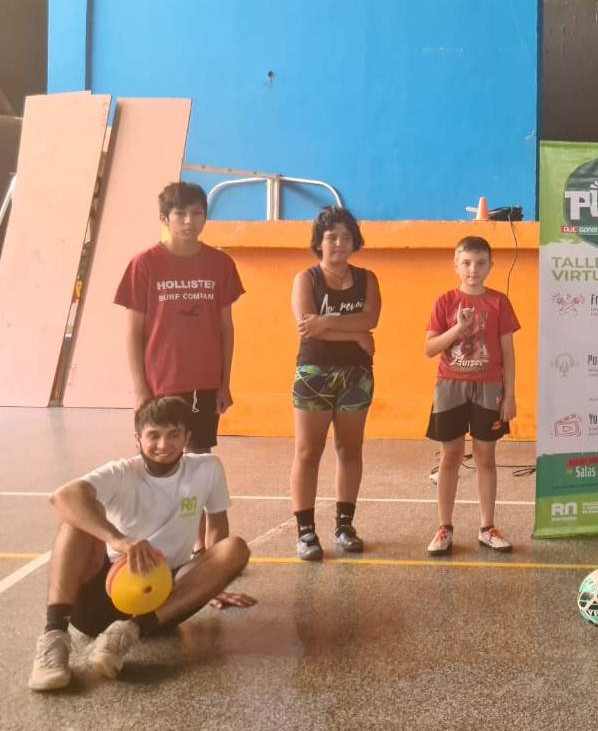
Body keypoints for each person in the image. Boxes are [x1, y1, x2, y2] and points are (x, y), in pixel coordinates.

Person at [28, 397, 255, 692]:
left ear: (187, 437)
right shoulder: (121, 471)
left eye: (174, 434)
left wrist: (209, 583)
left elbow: (217, 528)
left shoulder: (207, 468)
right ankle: (54, 636)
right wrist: (118, 540)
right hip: (104, 592)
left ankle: (125, 634)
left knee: (235, 547)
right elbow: (63, 497)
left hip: (161, 602)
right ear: (138, 439)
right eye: (154, 435)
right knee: (75, 520)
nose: (164, 444)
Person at [115, 181, 245, 551]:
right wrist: (141, 388)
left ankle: (197, 542)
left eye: (197, 213)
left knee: (198, 463)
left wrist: (224, 381)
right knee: (159, 464)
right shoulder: (144, 264)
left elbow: (226, 327)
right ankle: (156, 539)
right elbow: (134, 332)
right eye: (181, 214)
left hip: (204, 382)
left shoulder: (221, 264)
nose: (189, 221)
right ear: (165, 219)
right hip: (160, 383)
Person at [288, 207, 382, 561]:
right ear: (319, 242)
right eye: (331, 237)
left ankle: (344, 526)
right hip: (314, 372)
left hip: (357, 374)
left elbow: (371, 318)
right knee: (307, 451)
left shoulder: (367, 279)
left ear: (355, 242)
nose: (339, 243)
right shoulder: (306, 279)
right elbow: (307, 327)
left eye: (345, 237)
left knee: (349, 449)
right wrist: (355, 333)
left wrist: (329, 323)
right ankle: (305, 531)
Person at [424, 236, 520, 555]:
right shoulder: (444, 302)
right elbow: (430, 348)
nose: (473, 269)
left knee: (485, 457)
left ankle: (487, 527)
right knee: (450, 457)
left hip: (489, 388)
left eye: (480, 263)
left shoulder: (499, 302)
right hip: (450, 386)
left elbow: (508, 352)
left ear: (491, 266)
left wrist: (509, 395)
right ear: (455, 265)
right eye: (466, 263)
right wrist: (459, 329)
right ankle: (444, 528)